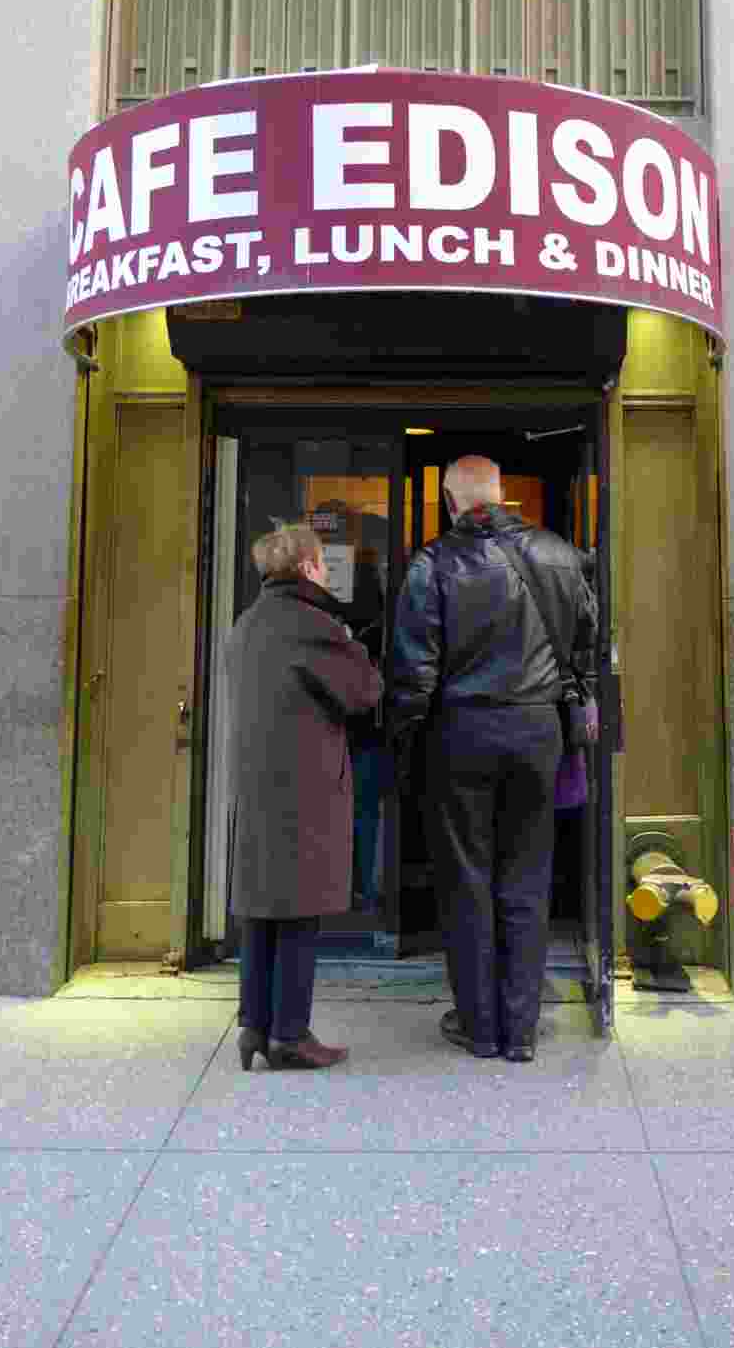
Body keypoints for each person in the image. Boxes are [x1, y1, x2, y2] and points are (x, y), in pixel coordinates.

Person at [387, 455, 597, 1062]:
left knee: (467, 878)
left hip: (463, 732)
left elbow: (413, 669)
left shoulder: (434, 563)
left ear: (452, 502)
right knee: (528, 877)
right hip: (537, 731)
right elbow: (585, 641)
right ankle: (521, 1028)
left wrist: (406, 747)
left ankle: (480, 1026)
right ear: (501, 496)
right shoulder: (559, 553)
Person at [224, 521, 382, 1070]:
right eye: (322, 563)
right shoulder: (312, 625)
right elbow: (363, 693)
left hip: (257, 785)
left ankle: (254, 1025)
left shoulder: (247, 623)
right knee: (298, 910)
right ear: (309, 567)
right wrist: (357, 649)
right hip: (304, 788)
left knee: (261, 910)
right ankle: (290, 1032)